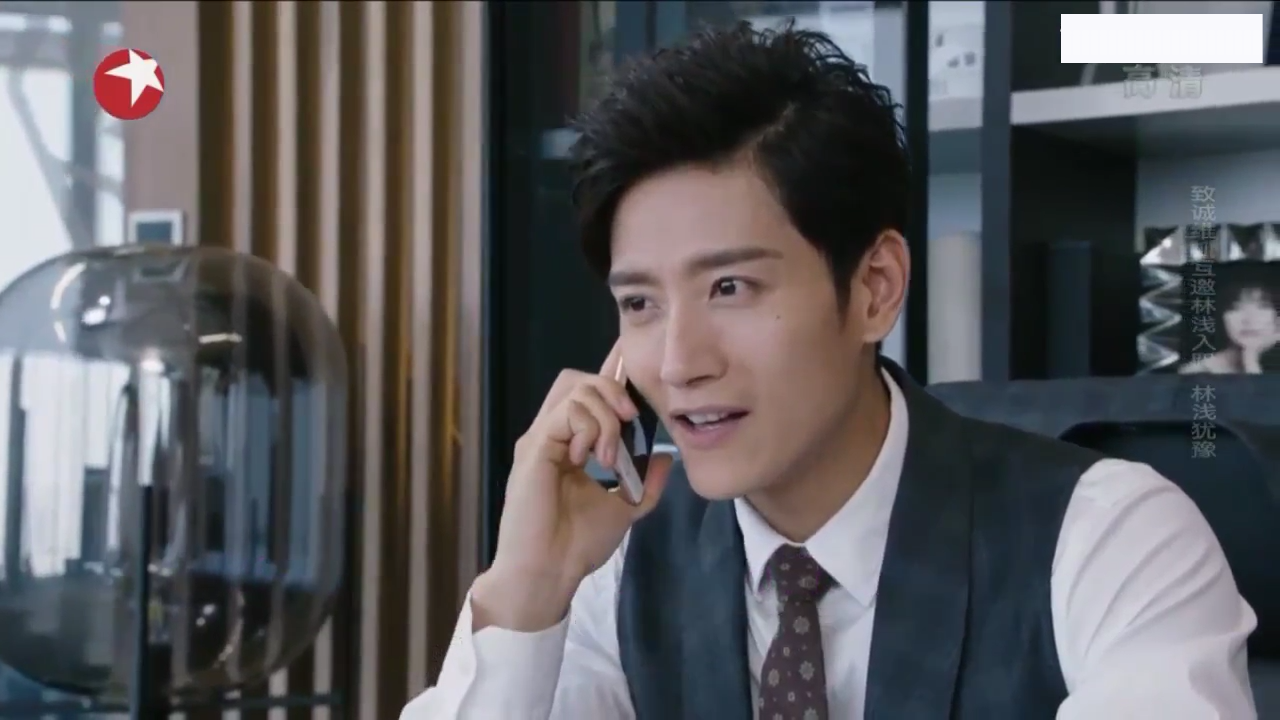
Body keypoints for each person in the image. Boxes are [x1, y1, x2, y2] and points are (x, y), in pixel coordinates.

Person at [402, 22, 1256, 720]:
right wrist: (526, 588)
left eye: (730, 287)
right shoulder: (620, 573)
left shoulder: (1108, 540)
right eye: (640, 303)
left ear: (875, 288)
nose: (679, 362)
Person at [1181, 283, 1280, 375]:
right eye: (1235, 308)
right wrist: (1250, 357)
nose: (1248, 319)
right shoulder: (1199, 372)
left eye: (1262, 307)